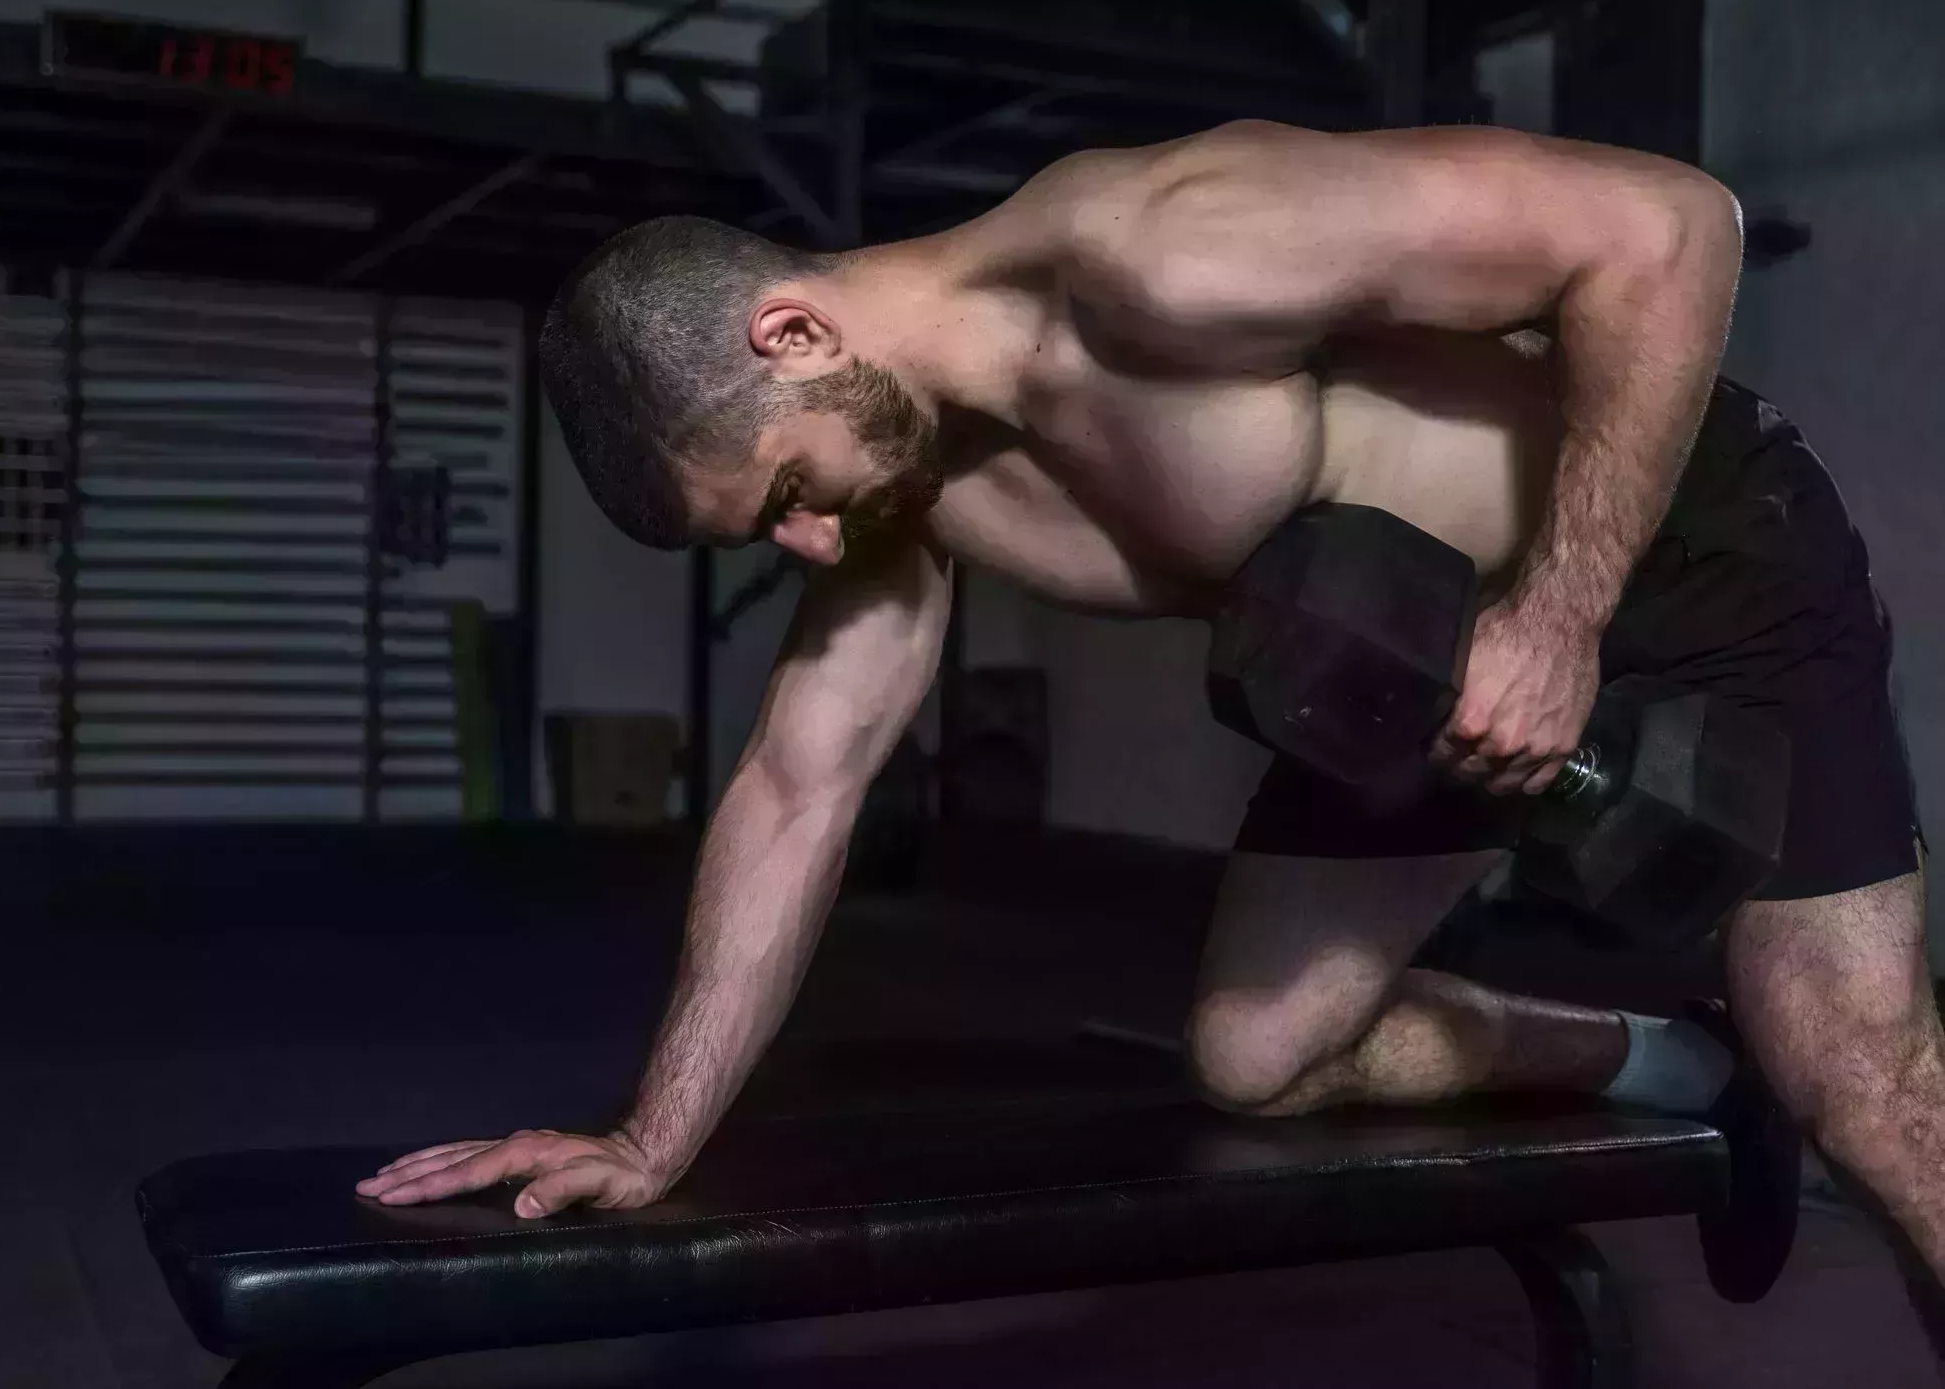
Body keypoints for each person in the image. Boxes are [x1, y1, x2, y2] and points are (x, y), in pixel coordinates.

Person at [356, 120, 1937, 1293]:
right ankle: (1678, 1066)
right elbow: (796, 783)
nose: (811, 543)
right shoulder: (915, 487)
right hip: (1407, 659)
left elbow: (1673, 226)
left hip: (1673, 548)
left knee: (1864, 1088)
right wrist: (651, 1135)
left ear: (793, 334)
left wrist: (1560, 610)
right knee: (1260, 1057)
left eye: (783, 493)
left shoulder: (1161, 248)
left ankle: (1794, 1071)